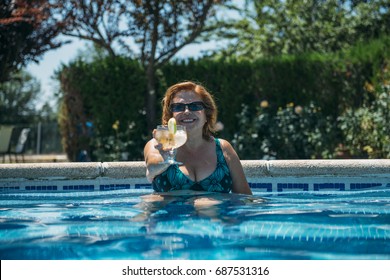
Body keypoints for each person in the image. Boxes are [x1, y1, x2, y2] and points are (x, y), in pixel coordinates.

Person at [144, 81, 252, 195]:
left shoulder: (223, 149)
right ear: (171, 115)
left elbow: (245, 197)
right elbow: (151, 169)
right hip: (170, 212)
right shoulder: (158, 143)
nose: (186, 111)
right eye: (179, 107)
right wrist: (165, 159)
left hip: (216, 212)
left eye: (195, 106)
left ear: (207, 114)